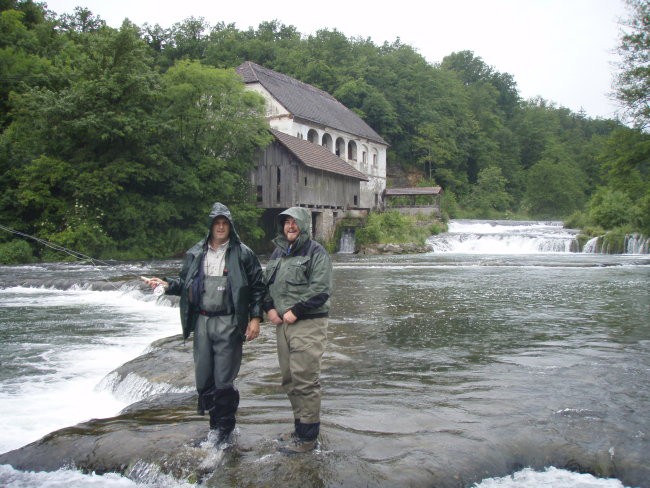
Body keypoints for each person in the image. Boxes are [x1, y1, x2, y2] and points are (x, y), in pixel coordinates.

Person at [144, 202, 265, 448]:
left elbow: (258, 288)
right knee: (204, 378)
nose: (221, 227)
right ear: (210, 226)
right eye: (216, 223)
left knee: (224, 380)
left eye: (225, 223)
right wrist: (165, 284)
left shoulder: (243, 253)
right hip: (201, 321)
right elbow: (184, 282)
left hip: (229, 322)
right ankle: (214, 426)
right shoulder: (195, 252)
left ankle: (226, 428)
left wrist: (255, 318)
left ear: (231, 226)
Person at [263, 207, 332, 454]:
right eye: (286, 222)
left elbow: (321, 289)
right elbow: (265, 286)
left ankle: (309, 439)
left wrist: (296, 310)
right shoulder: (278, 253)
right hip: (282, 325)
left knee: (305, 380)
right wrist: (269, 308)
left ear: (303, 224)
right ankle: (299, 428)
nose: (290, 226)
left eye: (294, 222)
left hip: (308, 323)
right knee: (289, 379)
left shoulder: (317, 252)